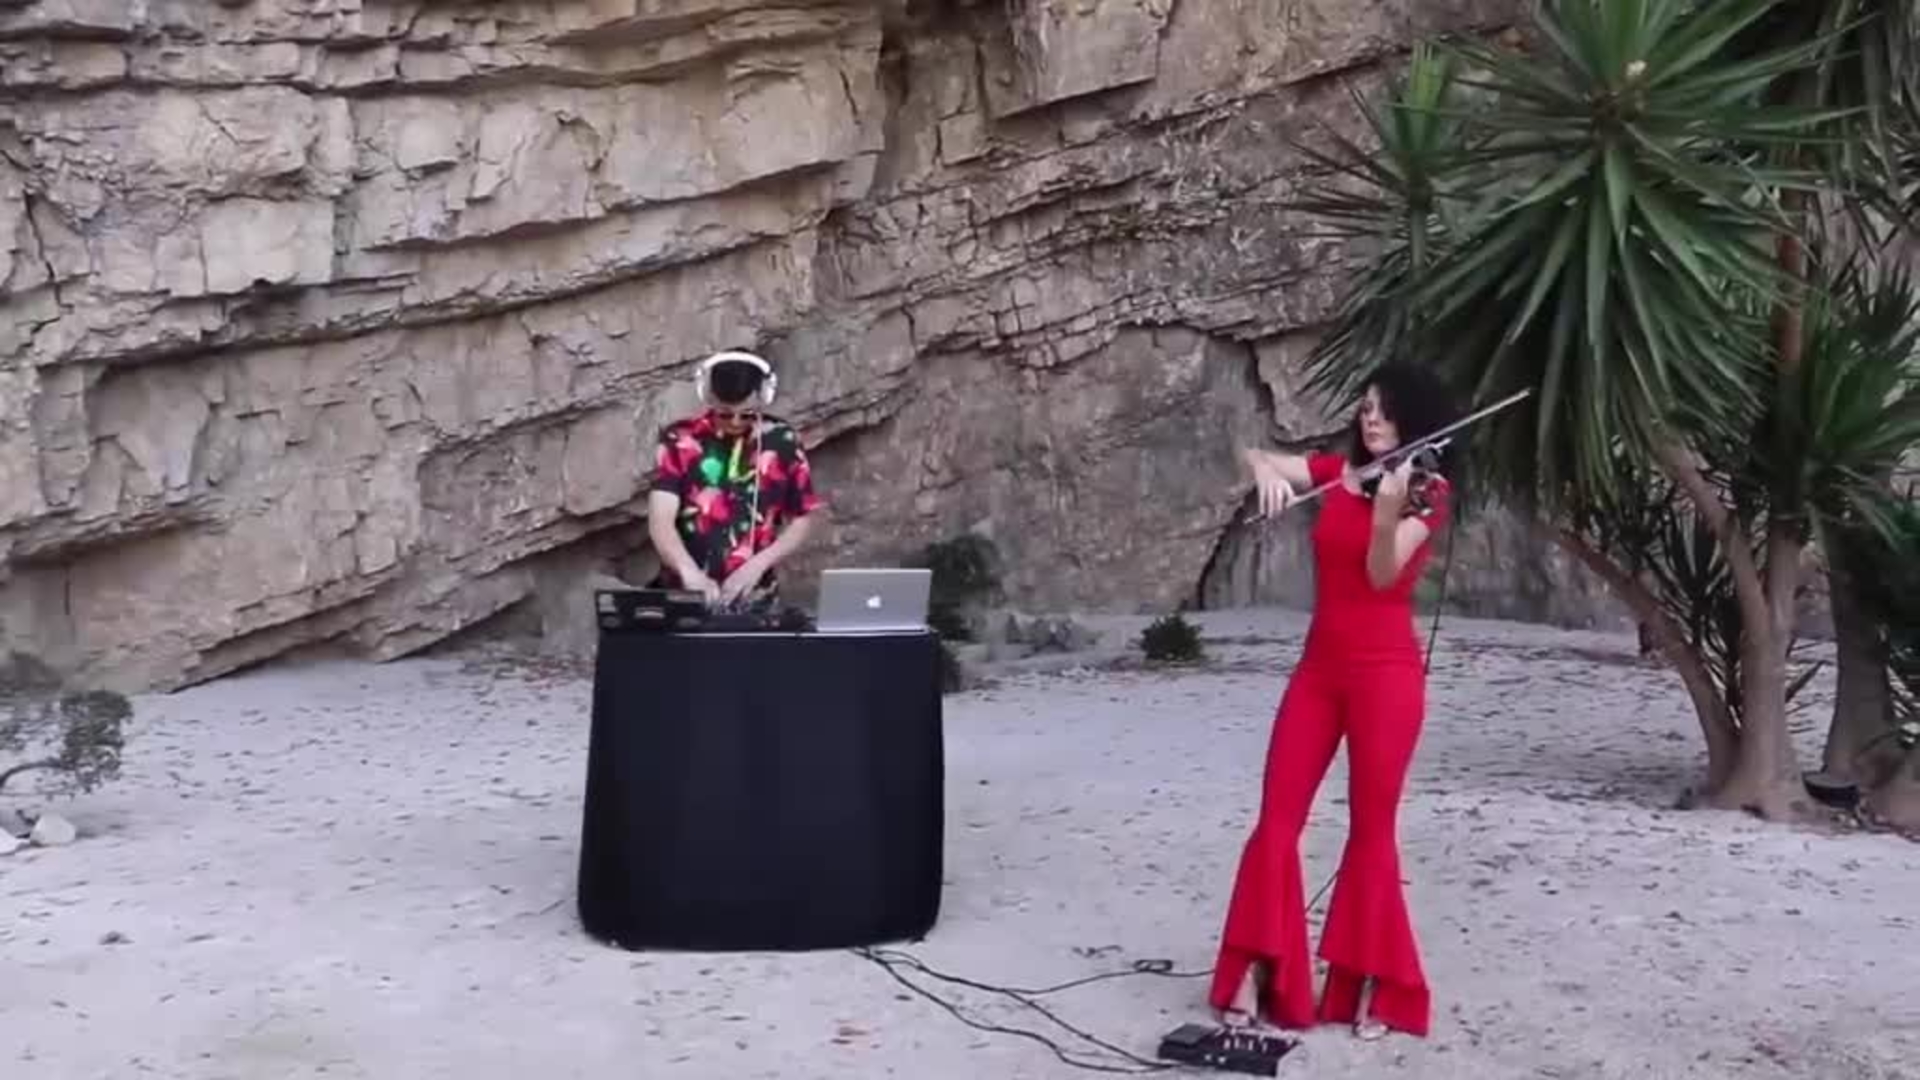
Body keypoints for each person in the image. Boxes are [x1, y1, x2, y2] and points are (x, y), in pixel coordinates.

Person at [1210, 360, 1459, 1041]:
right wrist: (1263, 470)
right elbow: (1257, 453)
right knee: (1276, 820)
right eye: (1365, 406)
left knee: (1372, 832)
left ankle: (1374, 983)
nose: (1370, 417)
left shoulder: (1427, 492)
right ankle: (1258, 969)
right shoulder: (1339, 473)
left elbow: (1381, 576)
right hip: (1318, 673)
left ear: (1412, 418)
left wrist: (1385, 516)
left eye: (1384, 408)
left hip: (1387, 678)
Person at [646, 350, 823, 607]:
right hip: (683, 597)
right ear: (708, 398)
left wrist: (758, 565)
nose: (736, 422)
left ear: (763, 396)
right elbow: (660, 520)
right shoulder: (679, 439)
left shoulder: (782, 440)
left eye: (747, 414)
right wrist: (689, 573)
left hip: (755, 598)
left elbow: (802, 517)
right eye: (725, 414)